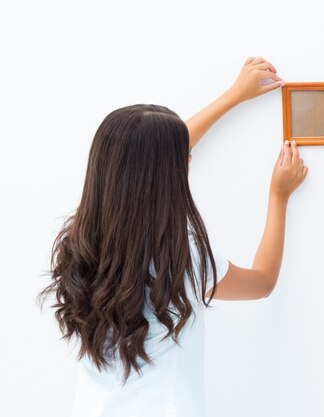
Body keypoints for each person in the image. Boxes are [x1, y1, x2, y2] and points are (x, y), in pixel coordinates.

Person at [40, 57, 308, 417]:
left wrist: (232, 96)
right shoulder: (182, 255)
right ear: (170, 173)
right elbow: (261, 282)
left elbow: (142, 157)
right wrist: (279, 196)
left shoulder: (80, 240)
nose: (190, 159)